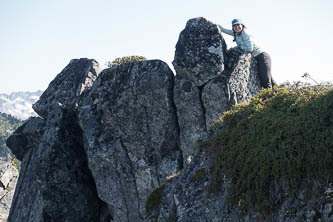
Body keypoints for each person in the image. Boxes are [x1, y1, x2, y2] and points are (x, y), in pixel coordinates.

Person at [218, 19, 275, 88]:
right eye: (234, 26)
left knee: (265, 81)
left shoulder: (245, 34)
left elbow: (249, 48)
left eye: (238, 25)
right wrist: (218, 27)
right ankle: (280, 95)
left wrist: (238, 47)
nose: (237, 27)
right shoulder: (235, 33)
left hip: (262, 57)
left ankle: (271, 97)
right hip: (255, 58)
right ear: (233, 28)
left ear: (242, 25)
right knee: (269, 80)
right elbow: (225, 30)